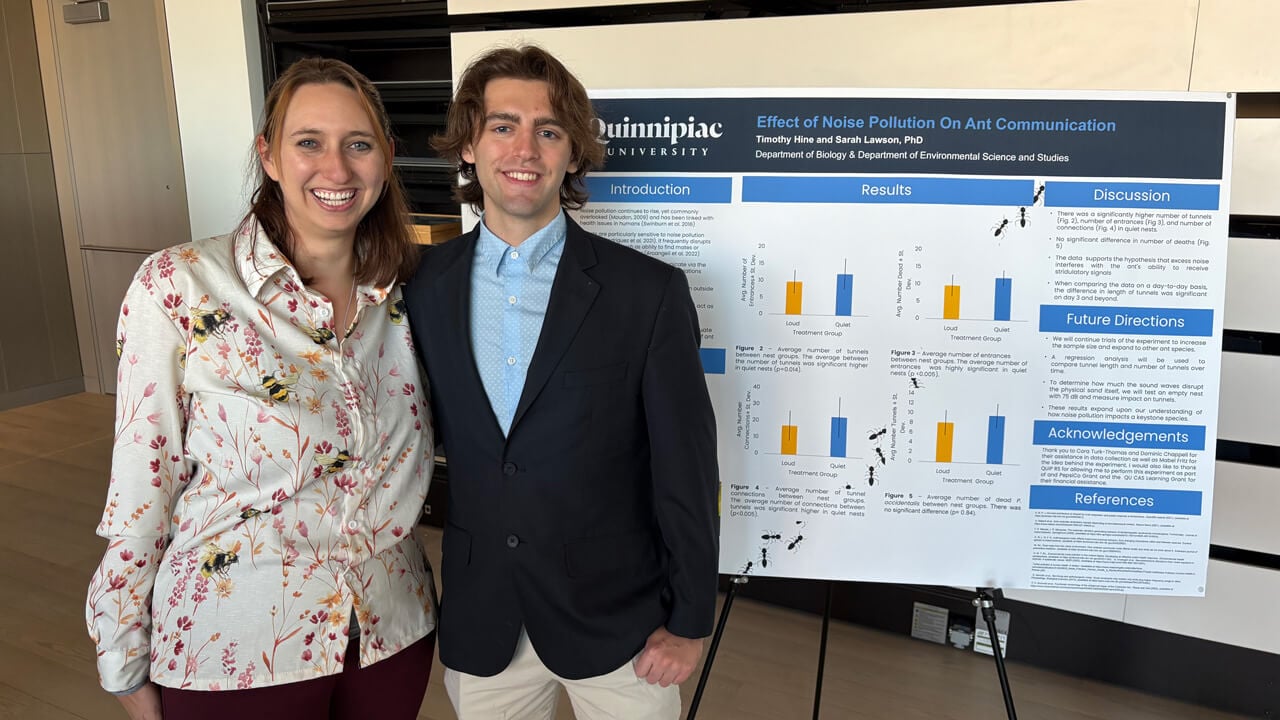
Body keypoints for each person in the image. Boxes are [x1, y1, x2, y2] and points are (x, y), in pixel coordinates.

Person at [85, 57, 436, 720]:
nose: (336, 169)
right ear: (269, 155)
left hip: (392, 633)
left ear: (387, 158)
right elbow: (141, 488)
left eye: (358, 145)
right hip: (234, 647)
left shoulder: (409, 292)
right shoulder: (181, 286)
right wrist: (122, 657)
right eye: (309, 142)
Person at [403, 45, 719, 719]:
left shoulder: (648, 293)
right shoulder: (421, 286)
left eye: (548, 131)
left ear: (573, 154)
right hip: (484, 615)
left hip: (622, 625)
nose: (525, 148)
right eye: (503, 126)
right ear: (468, 146)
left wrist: (692, 620)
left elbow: (686, 471)